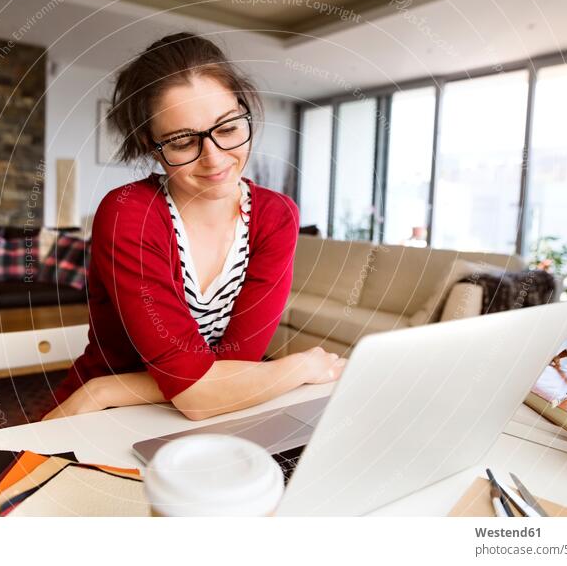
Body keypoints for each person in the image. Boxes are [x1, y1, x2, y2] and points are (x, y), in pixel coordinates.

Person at [42, 32, 345, 422]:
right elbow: (196, 395)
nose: (214, 158)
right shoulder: (128, 214)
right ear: (151, 145)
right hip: (96, 419)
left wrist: (109, 390)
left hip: (188, 409)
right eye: (183, 142)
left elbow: (234, 368)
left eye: (229, 128)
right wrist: (299, 367)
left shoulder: (276, 216)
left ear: (244, 110)